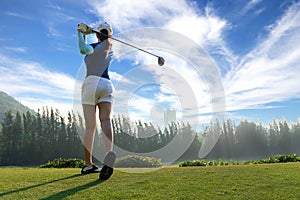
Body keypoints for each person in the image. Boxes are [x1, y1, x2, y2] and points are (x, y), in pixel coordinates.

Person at [77, 22, 116, 180]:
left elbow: (82, 49)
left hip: (91, 82)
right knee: (105, 120)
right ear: (110, 35)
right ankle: (108, 154)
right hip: (106, 84)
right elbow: (102, 44)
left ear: (97, 35)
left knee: (90, 127)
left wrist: (80, 34)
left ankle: (88, 164)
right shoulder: (109, 49)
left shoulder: (94, 46)